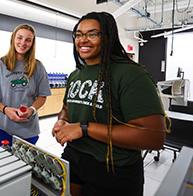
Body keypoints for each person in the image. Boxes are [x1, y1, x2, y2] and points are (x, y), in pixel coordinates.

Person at [52, 12, 166, 196]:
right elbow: (66, 108)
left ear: (108, 37)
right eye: (79, 35)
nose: (83, 40)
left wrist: (85, 128)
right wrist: (63, 121)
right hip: (74, 156)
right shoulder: (76, 75)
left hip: (113, 167)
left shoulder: (131, 74)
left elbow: (153, 138)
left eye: (92, 34)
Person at [0, 24, 51, 146]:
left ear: (32, 43)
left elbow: (42, 96)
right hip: (2, 128)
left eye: (28, 40)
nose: (23, 43)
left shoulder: (38, 67)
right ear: (13, 38)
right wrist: (5, 110)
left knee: (26, 164)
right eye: (19, 38)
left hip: (28, 130)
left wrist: (31, 110)